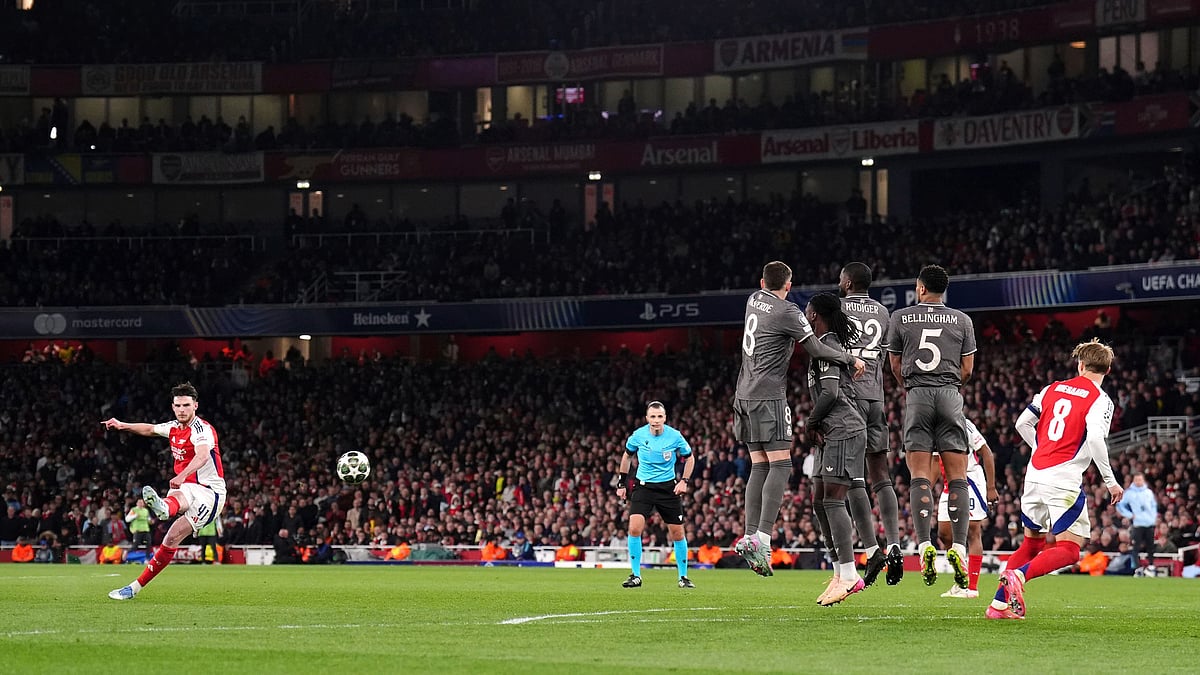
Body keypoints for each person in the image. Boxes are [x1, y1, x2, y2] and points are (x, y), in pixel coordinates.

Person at [733, 261, 864, 576]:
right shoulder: (788, 312)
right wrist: (849, 357)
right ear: (788, 286)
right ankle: (762, 538)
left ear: (762, 281)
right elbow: (817, 349)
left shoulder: (753, 299)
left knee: (759, 465)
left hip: (742, 395)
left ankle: (751, 534)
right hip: (768, 396)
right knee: (780, 465)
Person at [987, 339, 1123, 620]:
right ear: (1107, 370)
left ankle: (998, 607)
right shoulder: (1100, 399)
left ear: (1080, 365)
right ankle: (1019, 577)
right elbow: (1096, 438)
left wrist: (1039, 448)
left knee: (1031, 544)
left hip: (1034, 474)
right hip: (1062, 479)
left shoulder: (1052, 388)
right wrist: (1110, 481)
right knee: (1070, 550)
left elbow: (1021, 423)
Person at [886, 264, 976, 588]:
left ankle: (925, 544)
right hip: (950, 394)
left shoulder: (900, 317)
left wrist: (910, 387)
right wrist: (950, 386)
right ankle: (960, 549)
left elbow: (895, 365)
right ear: (944, 290)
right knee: (958, 477)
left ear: (919, 288)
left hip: (918, 394)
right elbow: (968, 368)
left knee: (920, 475)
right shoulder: (963, 320)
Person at [103, 381, 228, 600]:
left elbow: (201, 455)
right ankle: (133, 588)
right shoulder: (172, 427)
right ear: (173, 406)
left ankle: (166, 507)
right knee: (170, 533)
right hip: (187, 488)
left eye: (186, 405)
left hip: (210, 493)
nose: (182, 410)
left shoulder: (202, 430)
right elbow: (150, 429)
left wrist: (180, 475)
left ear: (195, 406)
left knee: (175, 522)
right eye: (178, 405)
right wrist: (122, 425)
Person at [838, 261, 902, 585]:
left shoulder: (836, 308)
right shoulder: (882, 312)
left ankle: (872, 548)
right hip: (876, 399)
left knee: (852, 479)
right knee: (882, 477)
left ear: (847, 283)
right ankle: (895, 544)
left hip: (847, 400)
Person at [805, 292, 868, 606]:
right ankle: (837, 570)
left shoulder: (828, 346)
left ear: (815, 315)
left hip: (842, 428)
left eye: (807, 310)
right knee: (819, 500)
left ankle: (849, 574)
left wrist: (811, 422)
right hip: (832, 432)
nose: (805, 314)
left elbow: (829, 393)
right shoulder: (822, 346)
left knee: (832, 500)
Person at [615, 401, 697, 589]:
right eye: (653, 416)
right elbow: (627, 456)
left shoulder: (675, 436)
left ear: (665, 418)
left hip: (668, 489)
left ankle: (683, 577)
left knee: (677, 533)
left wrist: (684, 481)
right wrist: (621, 482)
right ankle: (636, 575)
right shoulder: (638, 435)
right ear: (647, 418)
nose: (656, 420)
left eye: (660, 416)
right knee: (634, 529)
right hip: (643, 487)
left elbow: (690, 458)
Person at [936, 416, 998, 598]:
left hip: (969, 479)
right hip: (949, 484)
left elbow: (986, 452)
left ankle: (971, 587)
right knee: (944, 534)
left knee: (972, 531)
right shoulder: (929, 425)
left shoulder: (962, 422)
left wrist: (991, 487)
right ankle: (959, 581)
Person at [1116, 472, 1157, 567]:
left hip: (1149, 524)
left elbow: (1153, 506)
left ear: (1143, 480)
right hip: (1138, 524)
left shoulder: (1148, 492)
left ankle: (1151, 565)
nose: (1138, 482)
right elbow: (1120, 505)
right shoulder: (1129, 493)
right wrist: (1129, 515)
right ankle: (1136, 567)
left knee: (1150, 546)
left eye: (1140, 480)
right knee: (1136, 547)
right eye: (1136, 480)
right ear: (1134, 481)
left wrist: (1153, 517)